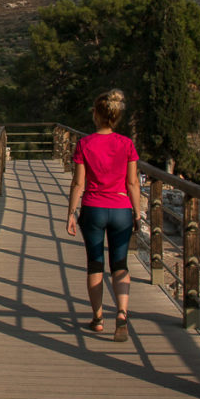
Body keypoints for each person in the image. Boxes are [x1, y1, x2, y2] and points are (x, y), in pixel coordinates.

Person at [66, 89, 141, 342]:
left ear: (97, 115)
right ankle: (121, 312)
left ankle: (98, 318)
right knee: (120, 264)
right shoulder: (127, 144)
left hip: (93, 209)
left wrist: (70, 213)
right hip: (121, 210)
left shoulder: (84, 144)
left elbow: (78, 183)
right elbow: (132, 184)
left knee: (95, 264)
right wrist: (138, 213)